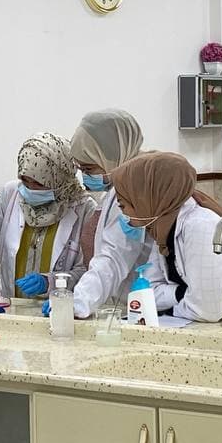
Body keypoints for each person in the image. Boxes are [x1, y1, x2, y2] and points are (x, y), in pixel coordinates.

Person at [110, 151, 222, 322]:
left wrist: (173, 306)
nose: (124, 216)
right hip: (213, 325)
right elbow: (148, 293)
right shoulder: (163, 230)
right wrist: (181, 293)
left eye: (123, 206)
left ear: (146, 199)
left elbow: (207, 311)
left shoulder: (201, 227)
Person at [0, 133, 94, 300]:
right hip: (12, 305)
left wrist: (49, 282)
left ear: (59, 180)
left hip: (58, 307)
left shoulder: (84, 209)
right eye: (25, 180)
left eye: (38, 183)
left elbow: (89, 272)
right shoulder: (11, 194)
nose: (30, 189)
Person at [69, 109, 155, 318]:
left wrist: (77, 302)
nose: (85, 177)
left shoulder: (136, 191)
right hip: (125, 305)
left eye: (89, 169)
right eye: (81, 169)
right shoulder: (115, 191)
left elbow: (114, 258)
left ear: (114, 157)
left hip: (144, 308)